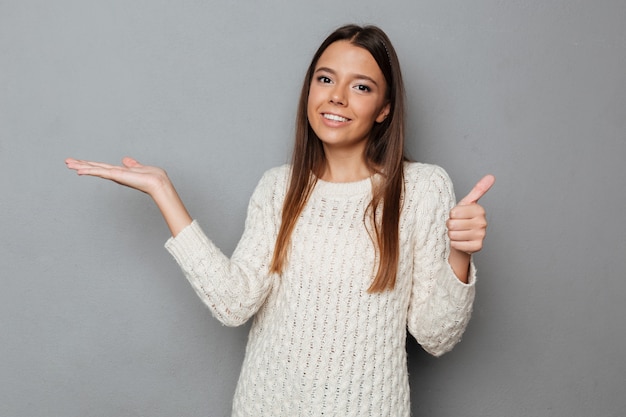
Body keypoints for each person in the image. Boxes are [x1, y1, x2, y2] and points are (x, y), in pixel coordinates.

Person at [66, 24, 494, 417]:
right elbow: (235, 303)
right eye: (325, 79)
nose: (337, 97)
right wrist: (163, 191)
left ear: (384, 109)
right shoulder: (278, 188)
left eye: (361, 86)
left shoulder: (421, 188)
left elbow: (436, 336)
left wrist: (459, 253)